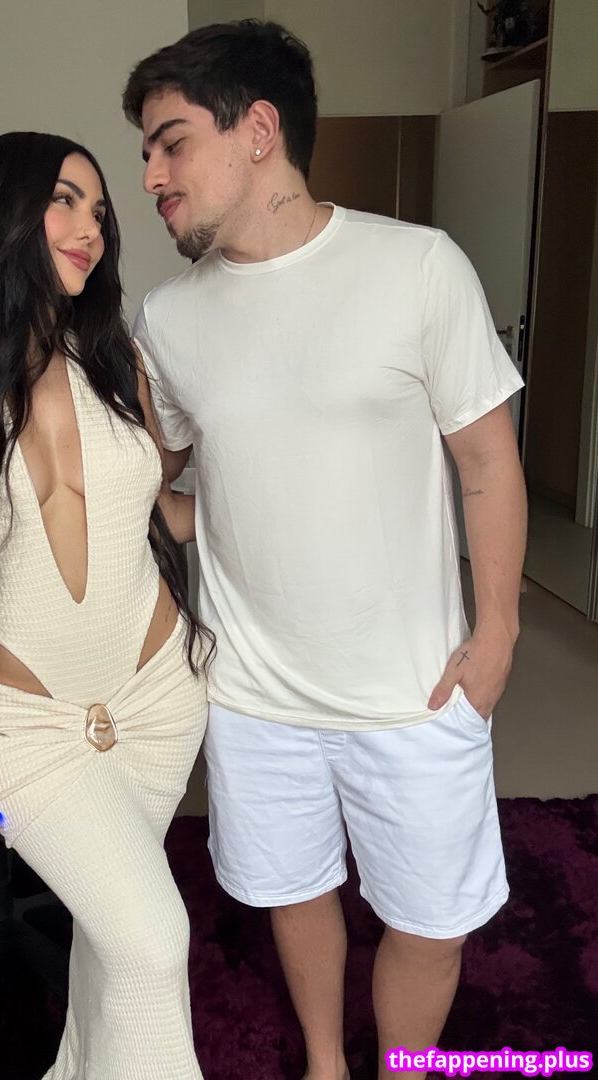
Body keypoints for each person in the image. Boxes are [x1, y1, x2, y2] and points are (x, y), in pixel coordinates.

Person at [123, 21, 527, 1080]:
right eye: (147, 151)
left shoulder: (418, 267)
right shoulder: (168, 318)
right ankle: (323, 1063)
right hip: (256, 698)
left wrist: (498, 633)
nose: (151, 175)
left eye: (171, 143)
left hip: (415, 691)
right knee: (293, 893)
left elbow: (487, 460)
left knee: (431, 921)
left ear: (257, 130)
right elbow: (157, 481)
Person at [0, 131, 212, 1080]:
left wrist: (260, 498)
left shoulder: (113, 358)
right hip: (28, 725)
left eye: (99, 211)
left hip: (157, 697)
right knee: (153, 939)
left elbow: (156, 514)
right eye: (65, 200)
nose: (91, 228)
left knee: (115, 933)